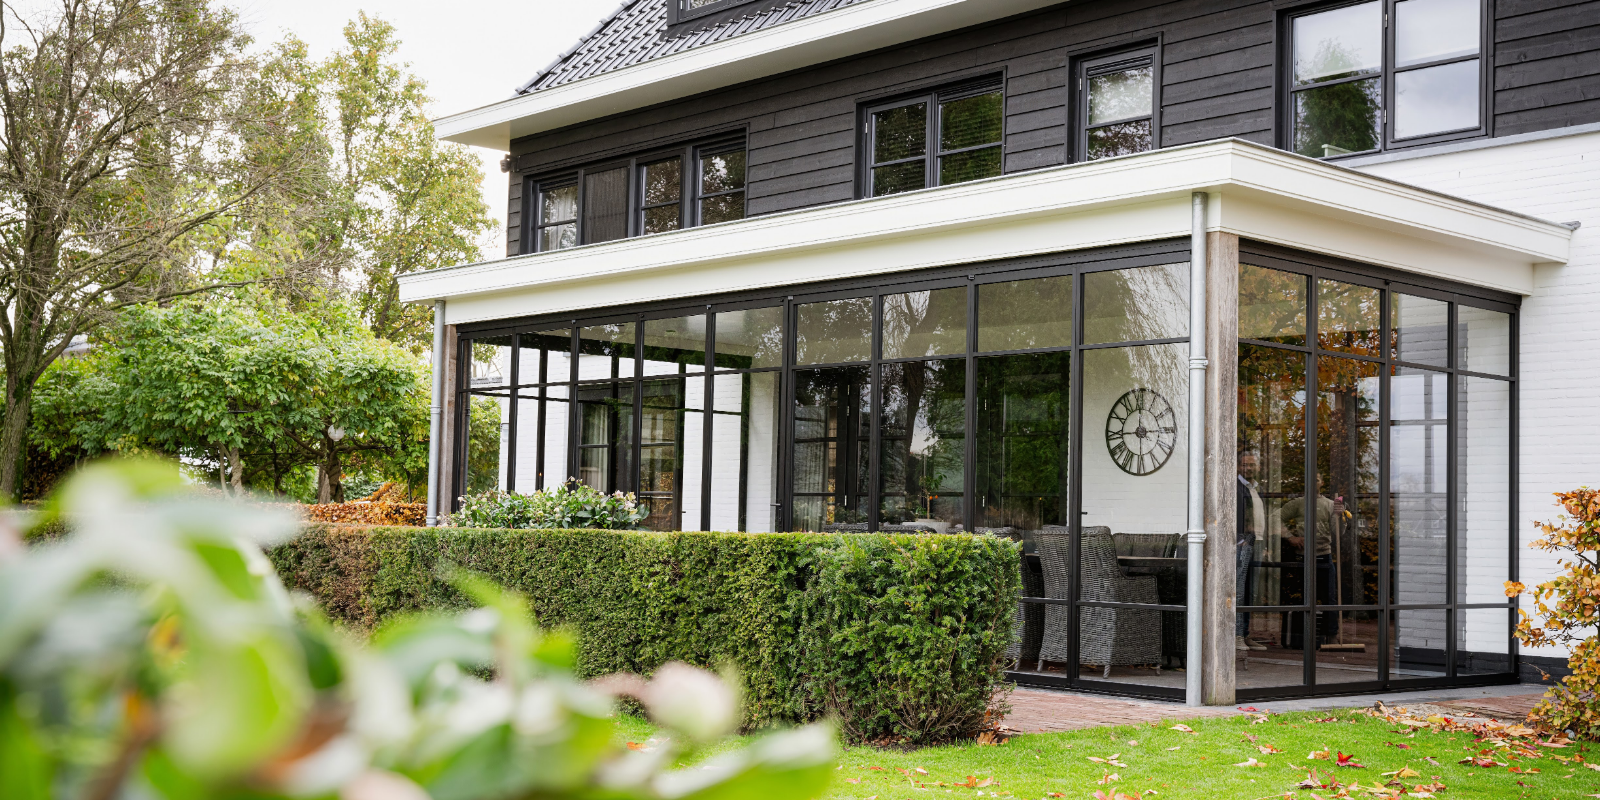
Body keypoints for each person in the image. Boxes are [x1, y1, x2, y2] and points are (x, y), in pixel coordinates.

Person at [1280, 474, 1345, 646]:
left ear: (1321, 483)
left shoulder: (1330, 504)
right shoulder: (1297, 503)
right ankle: (1303, 637)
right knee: (1303, 598)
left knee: (1329, 598)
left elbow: (1338, 532)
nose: (1312, 482)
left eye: (1316, 479)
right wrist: (1290, 537)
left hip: (1324, 556)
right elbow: (1274, 518)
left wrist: (1339, 516)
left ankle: (1331, 635)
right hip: (1303, 557)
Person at [1236, 450, 1266, 651]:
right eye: (1245, 464)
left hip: (1257, 543)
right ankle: (1236, 635)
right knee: (1239, 591)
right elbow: (1232, 514)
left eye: (1252, 464)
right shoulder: (1236, 487)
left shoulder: (1256, 488)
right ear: (1239, 466)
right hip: (1243, 544)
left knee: (1249, 592)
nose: (1248, 468)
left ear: (1258, 467)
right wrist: (1240, 540)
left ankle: (1245, 634)